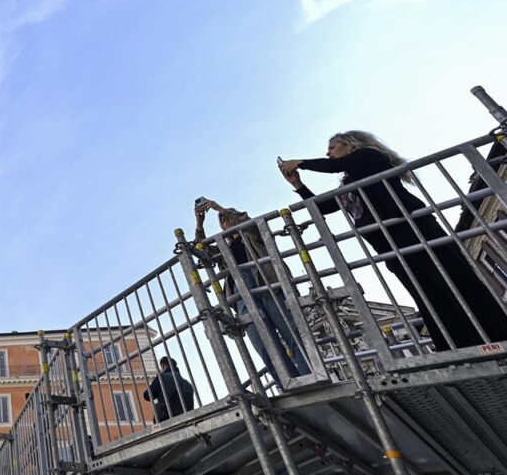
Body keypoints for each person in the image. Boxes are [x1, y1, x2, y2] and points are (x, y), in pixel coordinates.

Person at [280, 130, 507, 351]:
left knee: (452, 278)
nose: (328, 153)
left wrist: (300, 162)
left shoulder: (368, 157)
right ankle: (457, 346)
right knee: (424, 292)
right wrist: (298, 185)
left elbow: (331, 166)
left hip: (411, 227)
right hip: (385, 241)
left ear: (351, 144)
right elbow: (325, 207)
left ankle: (498, 334)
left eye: (332, 147)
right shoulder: (349, 181)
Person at [195, 199, 311, 387]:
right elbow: (202, 249)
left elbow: (246, 222)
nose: (227, 222)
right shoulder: (223, 248)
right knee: (264, 346)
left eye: (228, 217)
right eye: (223, 220)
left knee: (291, 333)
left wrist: (219, 208)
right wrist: (199, 223)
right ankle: (288, 384)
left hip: (266, 284)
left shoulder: (252, 234)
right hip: (241, 295)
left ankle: (309, 378)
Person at [143, 356, 195, 422]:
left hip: (167, 418)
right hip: (186, 419)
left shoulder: (162, 377)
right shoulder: (188, 384)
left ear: (163, 365)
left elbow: (147, 395)